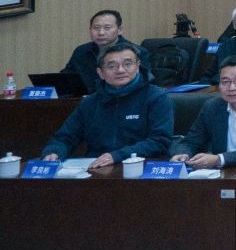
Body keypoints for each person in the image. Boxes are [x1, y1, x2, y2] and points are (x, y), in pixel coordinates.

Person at [39, 42, 172, 168]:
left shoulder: (155, 97)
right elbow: (65, 137)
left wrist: (117, 155)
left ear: (137, 67)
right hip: (97, 167)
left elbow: (160, 140)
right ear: (100, 73)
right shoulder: (90, 102)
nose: (120, 70)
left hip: (141, 166)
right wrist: (54, 152)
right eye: (112, 66)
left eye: (127, 64)